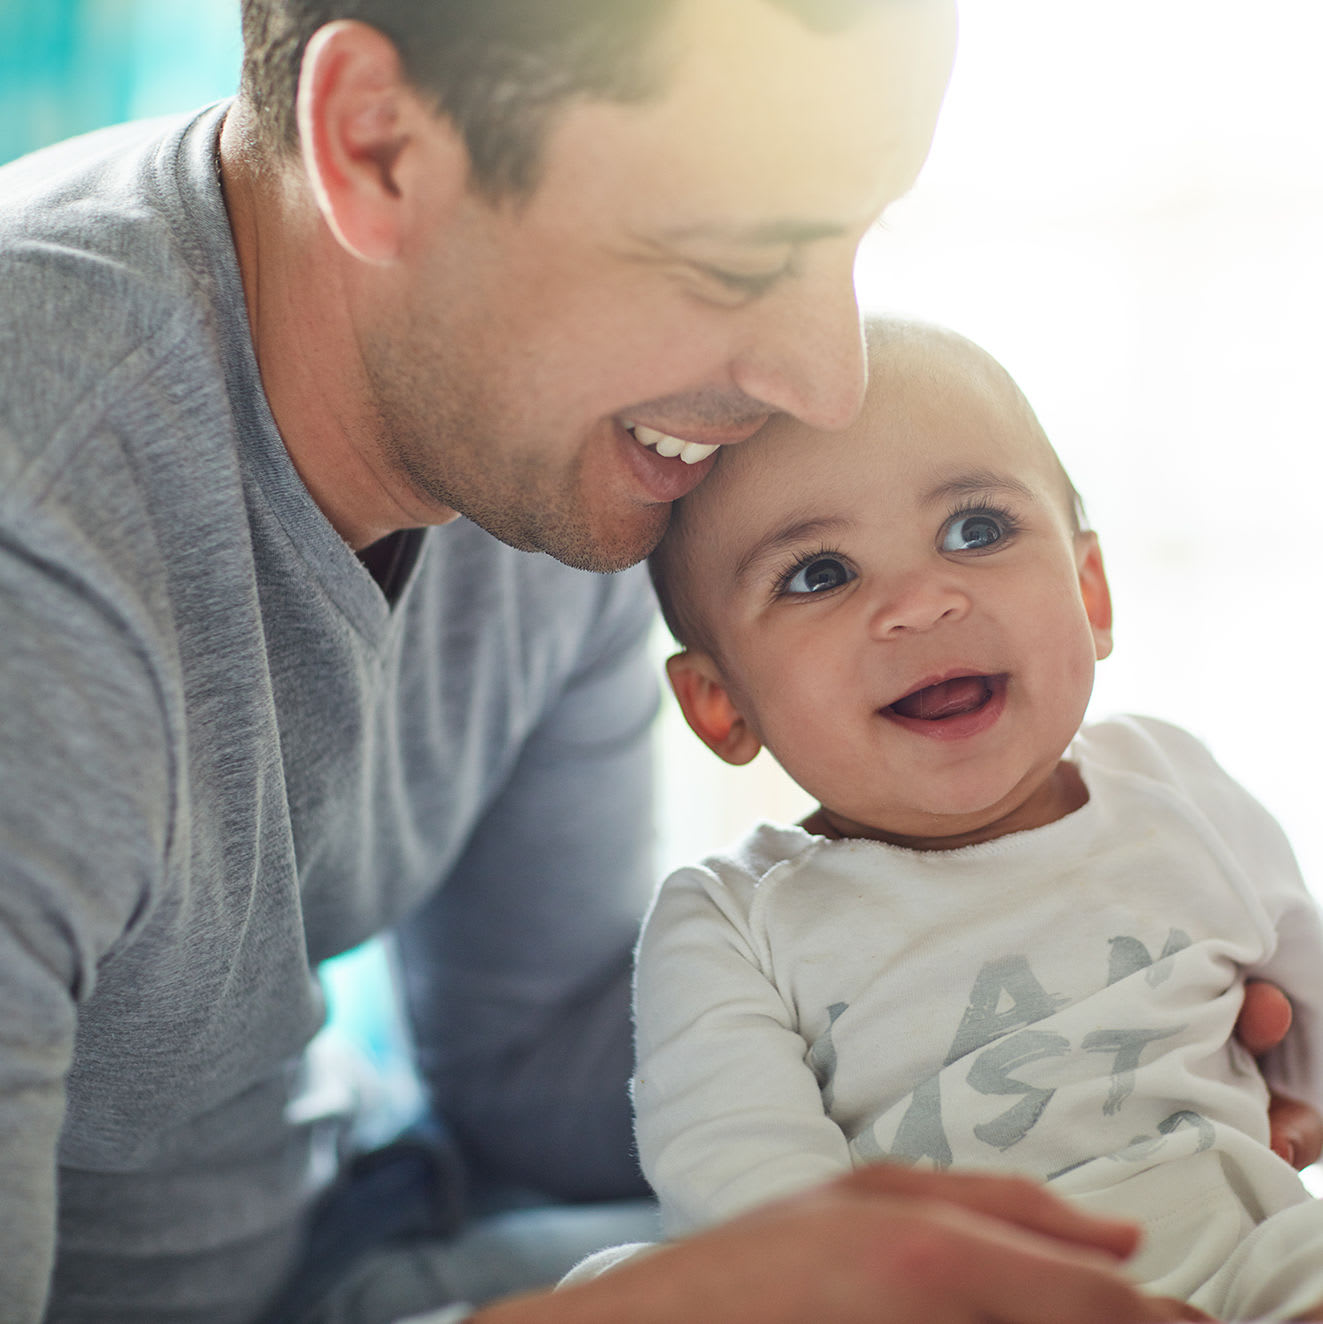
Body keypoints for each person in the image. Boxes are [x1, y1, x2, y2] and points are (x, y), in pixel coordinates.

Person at [0, 1, 1311, 1321]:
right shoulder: (39, 541)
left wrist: (1046, 1011)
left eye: (854, 239)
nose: (822, 380)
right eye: (733, 264)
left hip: (364, 1240)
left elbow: (521, 1066)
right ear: (379, 145)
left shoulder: (537, 449)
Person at [617, 316, 1323, 1319]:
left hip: (1246, 1250)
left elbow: (1304, 998)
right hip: (948, 1295)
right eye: (819, 572)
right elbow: (751, 1204)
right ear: (720, 701)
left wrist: (1297, 1112)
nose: (921, 599)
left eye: (976, 529)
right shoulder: (730, 921)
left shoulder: (1171, 782)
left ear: (1091, 587)